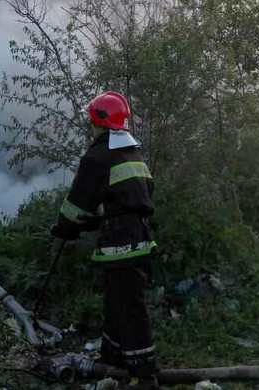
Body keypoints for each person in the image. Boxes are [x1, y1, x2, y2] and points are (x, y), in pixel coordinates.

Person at [50, 91, 159, 390]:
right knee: (117, 302)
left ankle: (145, 374)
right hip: (140, 238)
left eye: (91, 122)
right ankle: (114, 359)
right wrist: (101, 220)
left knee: (129, 306)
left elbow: (77, 203)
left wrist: (64, 228)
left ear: (98, 122)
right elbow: (137, 198)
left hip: (120, 244)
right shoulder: (133, 153)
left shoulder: (98, 157)